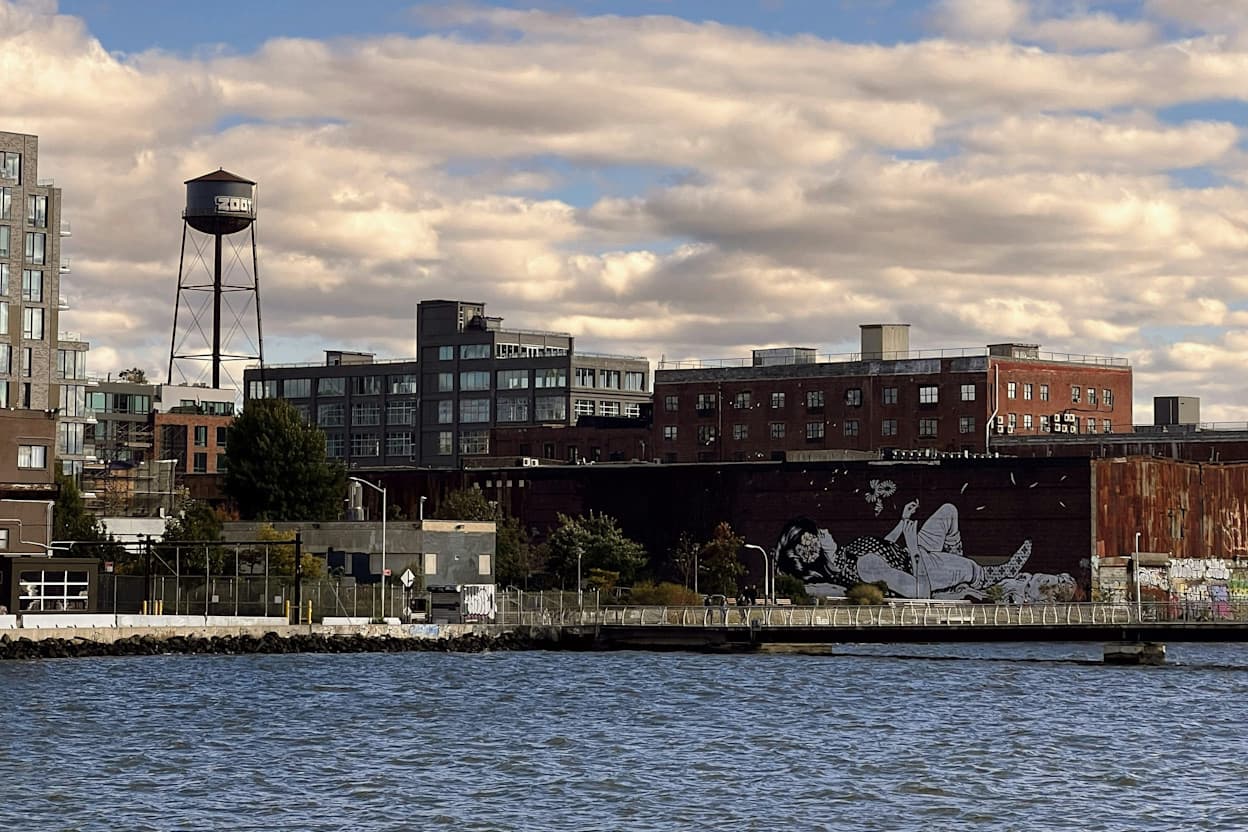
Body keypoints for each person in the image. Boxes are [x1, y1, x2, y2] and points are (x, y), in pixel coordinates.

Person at [775, 499, 1032, 600]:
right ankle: (989, 575)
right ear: (819, 552)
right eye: (820, 534)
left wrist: (901, 523)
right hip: (923, 567)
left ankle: (957, 558)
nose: (827, 531)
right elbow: (920, 592)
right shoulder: (864, 568)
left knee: (949, 511)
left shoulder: (848, 556)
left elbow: (880, 547)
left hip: (913, 551)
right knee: (971, 569)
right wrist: (911, 545)